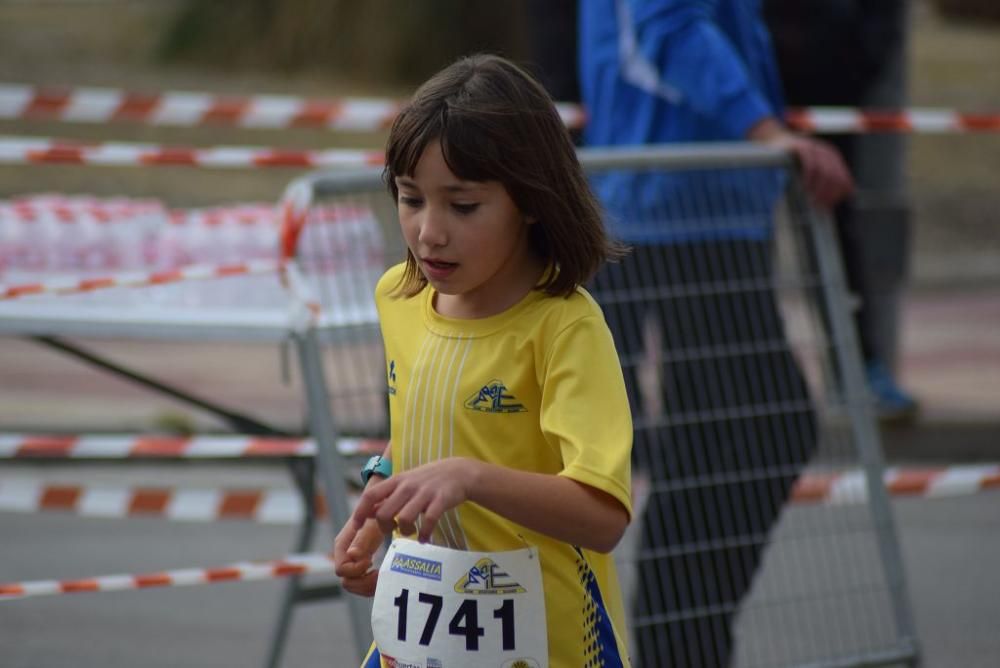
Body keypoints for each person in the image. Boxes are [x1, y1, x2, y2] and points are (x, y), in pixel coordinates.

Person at [333, 54, 635, 668]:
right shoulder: (399, 294)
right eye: (411, 199)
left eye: (462, 207)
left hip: (549, 645)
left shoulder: (565, 327)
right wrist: (378, 503)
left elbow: (603, 516)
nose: (429, 233)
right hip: (419, 643)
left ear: (529, 200)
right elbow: (421, 424)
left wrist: (470, 477)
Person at [578, 1, 854, 666]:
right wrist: (764, 131)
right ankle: (680, 643)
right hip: (677, 199)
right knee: (767, 424)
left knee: (709, 442)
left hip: (697, 196)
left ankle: (685, 644)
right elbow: (668, 28)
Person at [764, 0, 919, 422]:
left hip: (826, 98)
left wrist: (847, 70)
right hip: (762, 106)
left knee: (836, 240)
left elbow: (880, 25)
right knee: (737, 260)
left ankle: (859, 367)